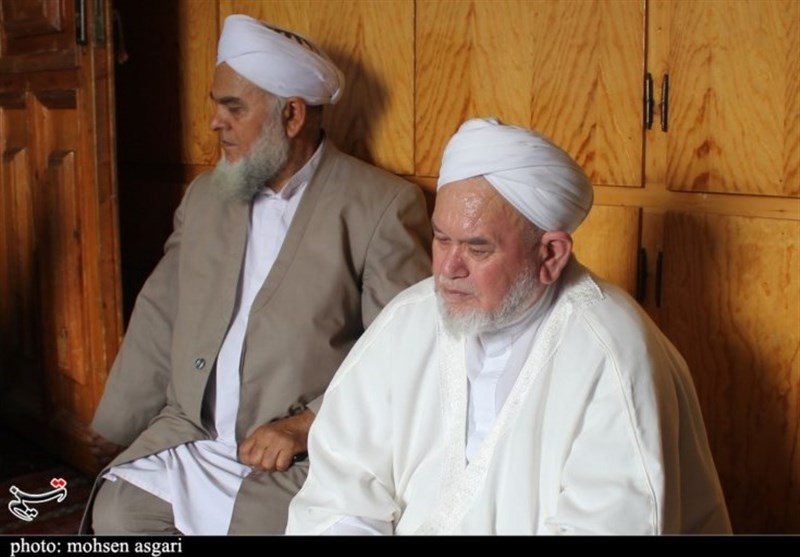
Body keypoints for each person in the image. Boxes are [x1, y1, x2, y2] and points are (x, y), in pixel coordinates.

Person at [285, 117, 732, 535]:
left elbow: (612, 523)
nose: (448, 269)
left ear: (550, 255)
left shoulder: (611, 353)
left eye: (477, 249)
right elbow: (341, 489)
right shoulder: (408, 320)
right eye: (441, 239)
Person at [80, 14, 432, 535]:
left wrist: (305, 425)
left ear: (291, 115)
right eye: (216, 105)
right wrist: (116, 423)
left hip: (298, 452)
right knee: (118, 514)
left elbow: (405, 350)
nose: (215, 122)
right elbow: (161, 310)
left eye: (234, 108)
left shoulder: (379, 205)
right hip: (193, 435)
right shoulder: (205, 195)